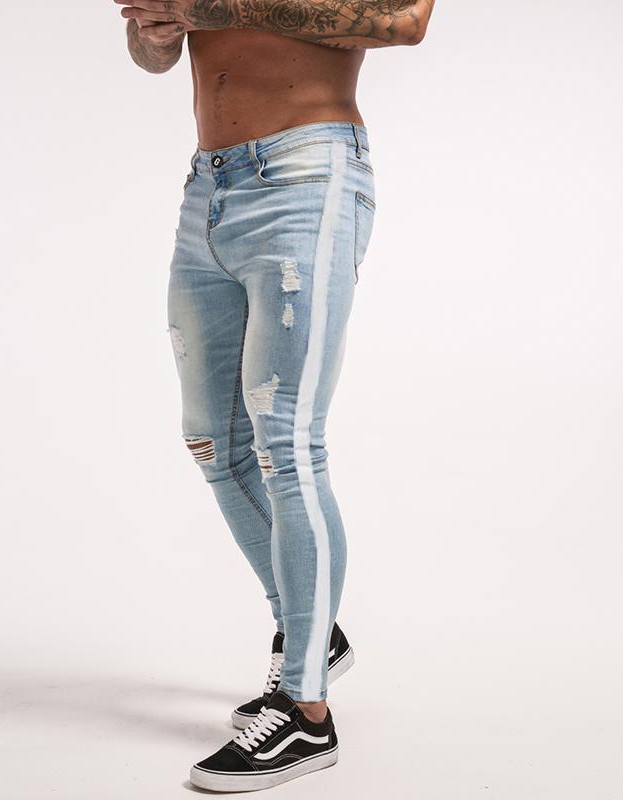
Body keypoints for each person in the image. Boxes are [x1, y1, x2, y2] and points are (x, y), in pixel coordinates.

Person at [114, 0, 435, 790]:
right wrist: (154, 28)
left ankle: (305, 713)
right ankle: (311, 633)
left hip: (306, 174)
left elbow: (404, 19)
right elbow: (156, 56)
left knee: (287, 444)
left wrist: (204, 5)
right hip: (210, 187)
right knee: (212, 442)